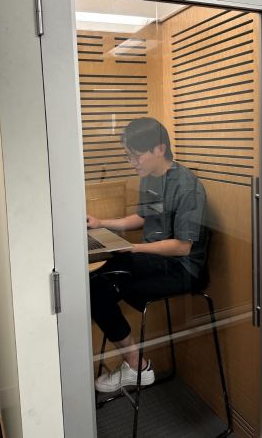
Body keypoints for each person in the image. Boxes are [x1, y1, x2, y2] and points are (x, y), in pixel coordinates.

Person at [87, 117, 207, 393]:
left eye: (136, 156)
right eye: (128, 156)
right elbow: (140, 217)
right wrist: (102, 222)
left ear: (159, 149)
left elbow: (182, 247)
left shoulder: (187, 186)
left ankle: (138, 367)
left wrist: (132, 248)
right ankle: (134, 364)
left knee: (97, 288)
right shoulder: (151, 178)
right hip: (154, 259)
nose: (133, 162)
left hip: (181, 269)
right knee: (92, 279)